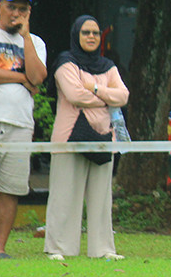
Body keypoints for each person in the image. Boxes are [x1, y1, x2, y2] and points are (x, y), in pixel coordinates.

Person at [44, 15, 128, 261]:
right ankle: (59, 248)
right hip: (69, 137)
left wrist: (93, 88)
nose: (91, 36)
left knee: (101, 197)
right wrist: (106, 96)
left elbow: (123, 96)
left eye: (95, 32)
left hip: (103, 136)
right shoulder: (65, 62)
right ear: (76, 35)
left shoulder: (108, 65)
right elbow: (74, 95)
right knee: (64, 195)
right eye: (85, 32)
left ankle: (103, 249)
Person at [0, 0, 47, 259]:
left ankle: (0, 248)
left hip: (20, 125)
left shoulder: (34, 43)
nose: (16, 13)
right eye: (11, 7)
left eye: (22, 9)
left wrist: (25, 38)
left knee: (10, 190)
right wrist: (21, 77)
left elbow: (38, 77)